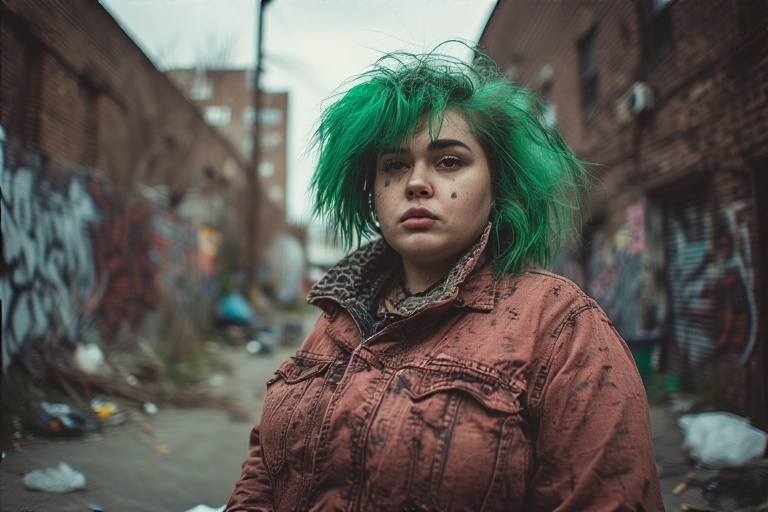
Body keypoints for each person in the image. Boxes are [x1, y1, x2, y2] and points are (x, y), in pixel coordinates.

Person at [226, 43, 664, 511]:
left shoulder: (561, 328)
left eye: (449, 161)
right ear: (373, 191)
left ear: (497, 184)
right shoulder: (337, 314)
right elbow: (264, 469)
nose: (416, 182)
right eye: (395, 165)